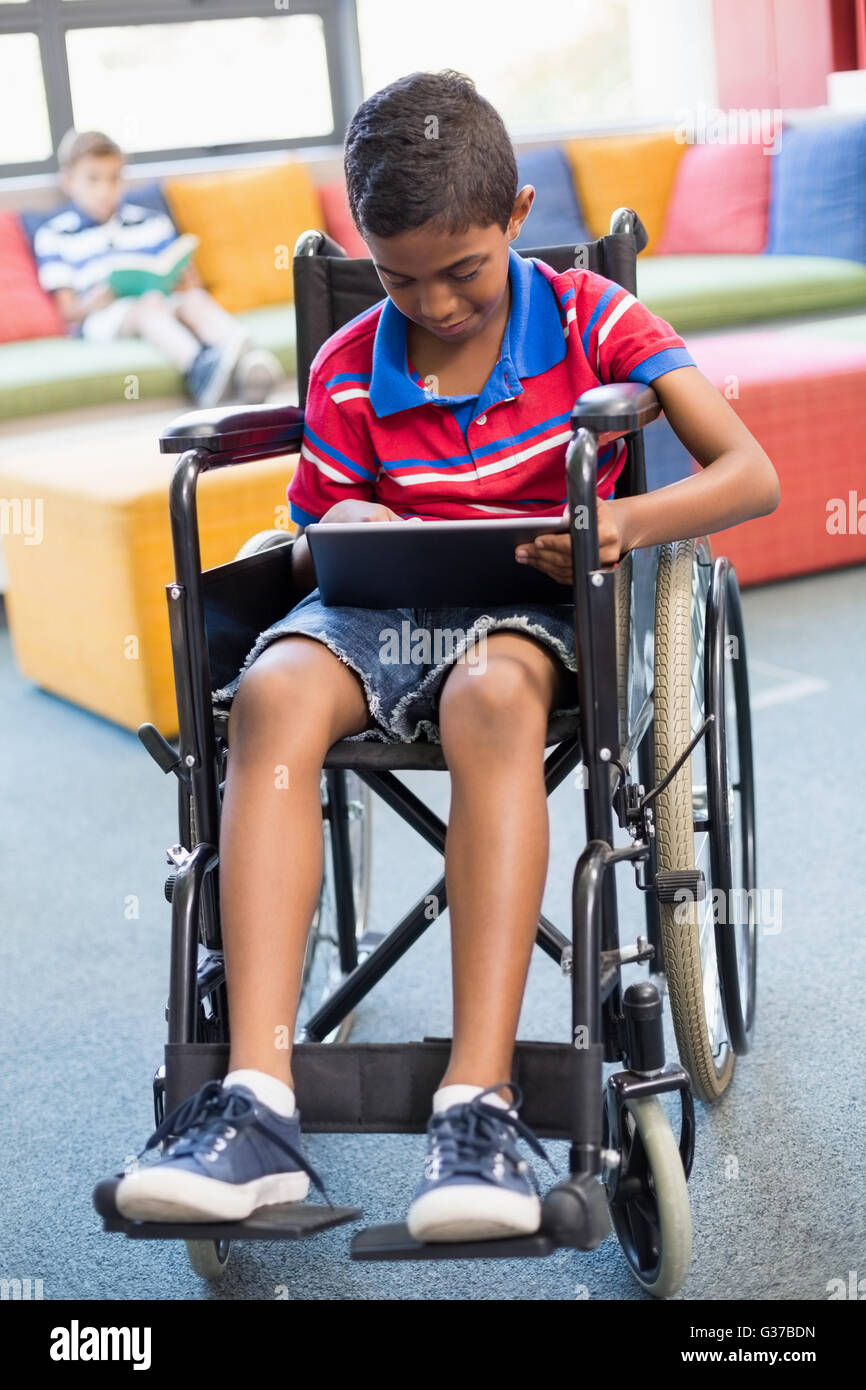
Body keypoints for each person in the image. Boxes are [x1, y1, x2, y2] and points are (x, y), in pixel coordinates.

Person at [110, 71, 779, 1242]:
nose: (433, 303)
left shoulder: (591, 321)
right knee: (267, 689)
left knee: (492, 695)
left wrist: (618, 522)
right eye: (396, 276)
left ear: (516, 216)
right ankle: (256, 1105)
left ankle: (480, 1104)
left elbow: (749, 475)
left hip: (533, 618)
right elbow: (318, 539)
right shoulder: (349, 364)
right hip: (375, 616)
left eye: (460, 271)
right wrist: (350, 529)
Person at [34, 129, 283, 408]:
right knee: (149, 305)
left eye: (113, 178)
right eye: (92, 180)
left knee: (193, 300)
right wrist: (94, 300)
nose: (105, 190)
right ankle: (200, 370)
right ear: (68, 181)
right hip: (105, 316)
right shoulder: (55, 235)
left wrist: (186, 281)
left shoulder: (151, 222)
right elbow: (68, 311)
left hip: (163, 302)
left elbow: (175, 270)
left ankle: (248, 357)